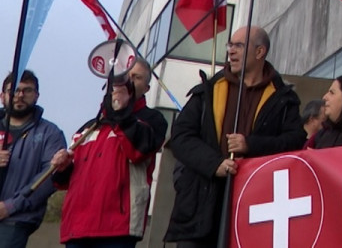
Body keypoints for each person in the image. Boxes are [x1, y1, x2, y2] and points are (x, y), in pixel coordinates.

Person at [164, 25, 306, 247]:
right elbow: (181, 136)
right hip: (200, 210)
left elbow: (295, 141)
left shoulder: (283, 98)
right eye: (230, 45)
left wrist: (251, 145)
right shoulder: (208, 91)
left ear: (260, 52)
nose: (231, 51)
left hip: (255, 209)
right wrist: (215, 164)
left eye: (239, 45)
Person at [51, 62, 168, 248]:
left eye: (136, 77)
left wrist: (122, 112)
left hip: (117, 227)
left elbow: (138, 152)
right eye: (124, 75)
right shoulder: (89, 127)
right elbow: (63, 182)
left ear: (146, 88)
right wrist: (61, 167)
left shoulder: (152, 119)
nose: (128, 81)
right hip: (78, 225)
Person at [0, 71, 66, 248]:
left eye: (27, 90)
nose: (19, 95)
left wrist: (10, 206)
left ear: (36, 95)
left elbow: (48, 178)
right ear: (2, 96)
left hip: (14, 221)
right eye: (14, 90)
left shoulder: (50, 133)